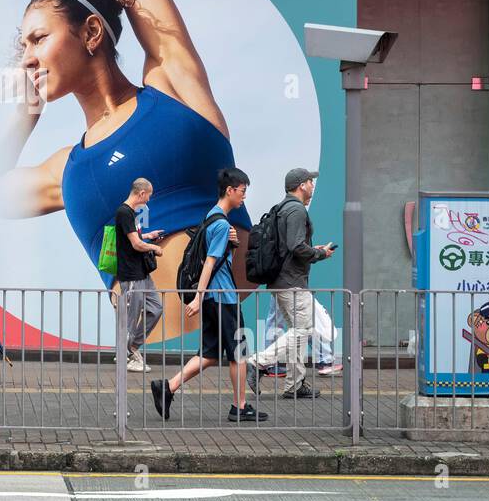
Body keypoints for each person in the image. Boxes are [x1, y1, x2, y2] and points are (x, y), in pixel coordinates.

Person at [0, 0, 250, 343]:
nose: (26, 58)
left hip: (235, 350)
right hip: (146, 368)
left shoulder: (173, 90)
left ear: (92, 32)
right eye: (22, 46)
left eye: (39, 38)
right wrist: (24, 115)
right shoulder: (71, 169)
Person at [152, 167, 267, 422]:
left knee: (210, 353)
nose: (244, 197)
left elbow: (220, 261)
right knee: (240, 353)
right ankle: (240, 407)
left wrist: (233, 246)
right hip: (223, 298)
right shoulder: (222, 224)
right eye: (242, 191)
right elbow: (210, 263)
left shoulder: (211, 217)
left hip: (215, 299)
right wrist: (198, 297)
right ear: (230, 190)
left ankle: (167, 387)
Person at [244, 169, 335, 399]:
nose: (313, 186)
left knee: (298, 332)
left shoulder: (282, 208)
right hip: (292, 281)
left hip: (281, 281)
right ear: (300, 185)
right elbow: (296, 246)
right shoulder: (296, 210)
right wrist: (319, 253)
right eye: (310, 182)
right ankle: (257, 362)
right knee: (303, 330)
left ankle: (294, 385)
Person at [114, 178, 165, 373]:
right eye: (148, 196)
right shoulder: (124, 212)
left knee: (156, 308)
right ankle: (125, 356)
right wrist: (154, 247)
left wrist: (149, 236)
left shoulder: (130, 214)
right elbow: (135, 244)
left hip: (141, 273)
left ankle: (131, 347)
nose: (148, 200)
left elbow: (134, 238)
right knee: (130, 317)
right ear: (141, 193)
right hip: (131, 274)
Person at [262, 298, 341, 375]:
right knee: (309, 318)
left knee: (307, 319)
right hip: (290, 287)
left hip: (290, 287)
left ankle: (324, 361)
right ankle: (324, 361)